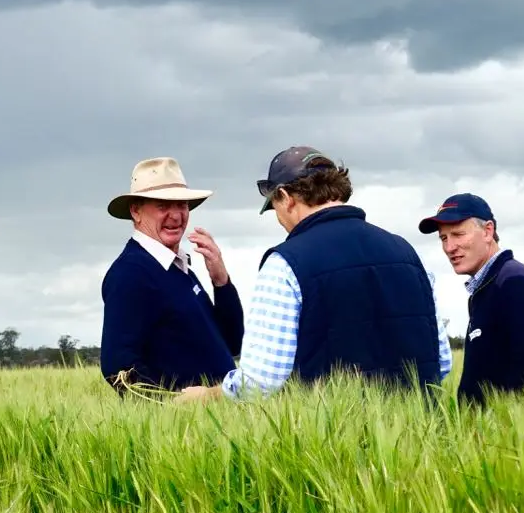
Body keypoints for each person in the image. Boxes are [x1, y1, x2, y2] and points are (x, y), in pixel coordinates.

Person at [176, 146, 452, 402]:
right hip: (419, 440)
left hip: (334, 446)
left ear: (285, 197)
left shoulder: (284, 263)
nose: (279, 219)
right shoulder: (409, 255)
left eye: (274, 207)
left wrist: (207, 395)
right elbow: (441, 362)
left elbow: (260, 381)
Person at [100, 156, 243, 391]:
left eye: (181, 205)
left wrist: (221, 281)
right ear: (136, 211)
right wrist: (174, 409)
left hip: (219, 419)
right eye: (162, 206)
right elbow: (119, 368)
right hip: (187, 424)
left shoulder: (179, 270)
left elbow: (232, 342)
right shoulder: (131, 274)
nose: (176, 216)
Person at [417, 192, 524, 406]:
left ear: (488, 231)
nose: (449, 247)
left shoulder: (515, 282)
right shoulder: (487, 287)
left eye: (458, 234)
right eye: (444, 238)